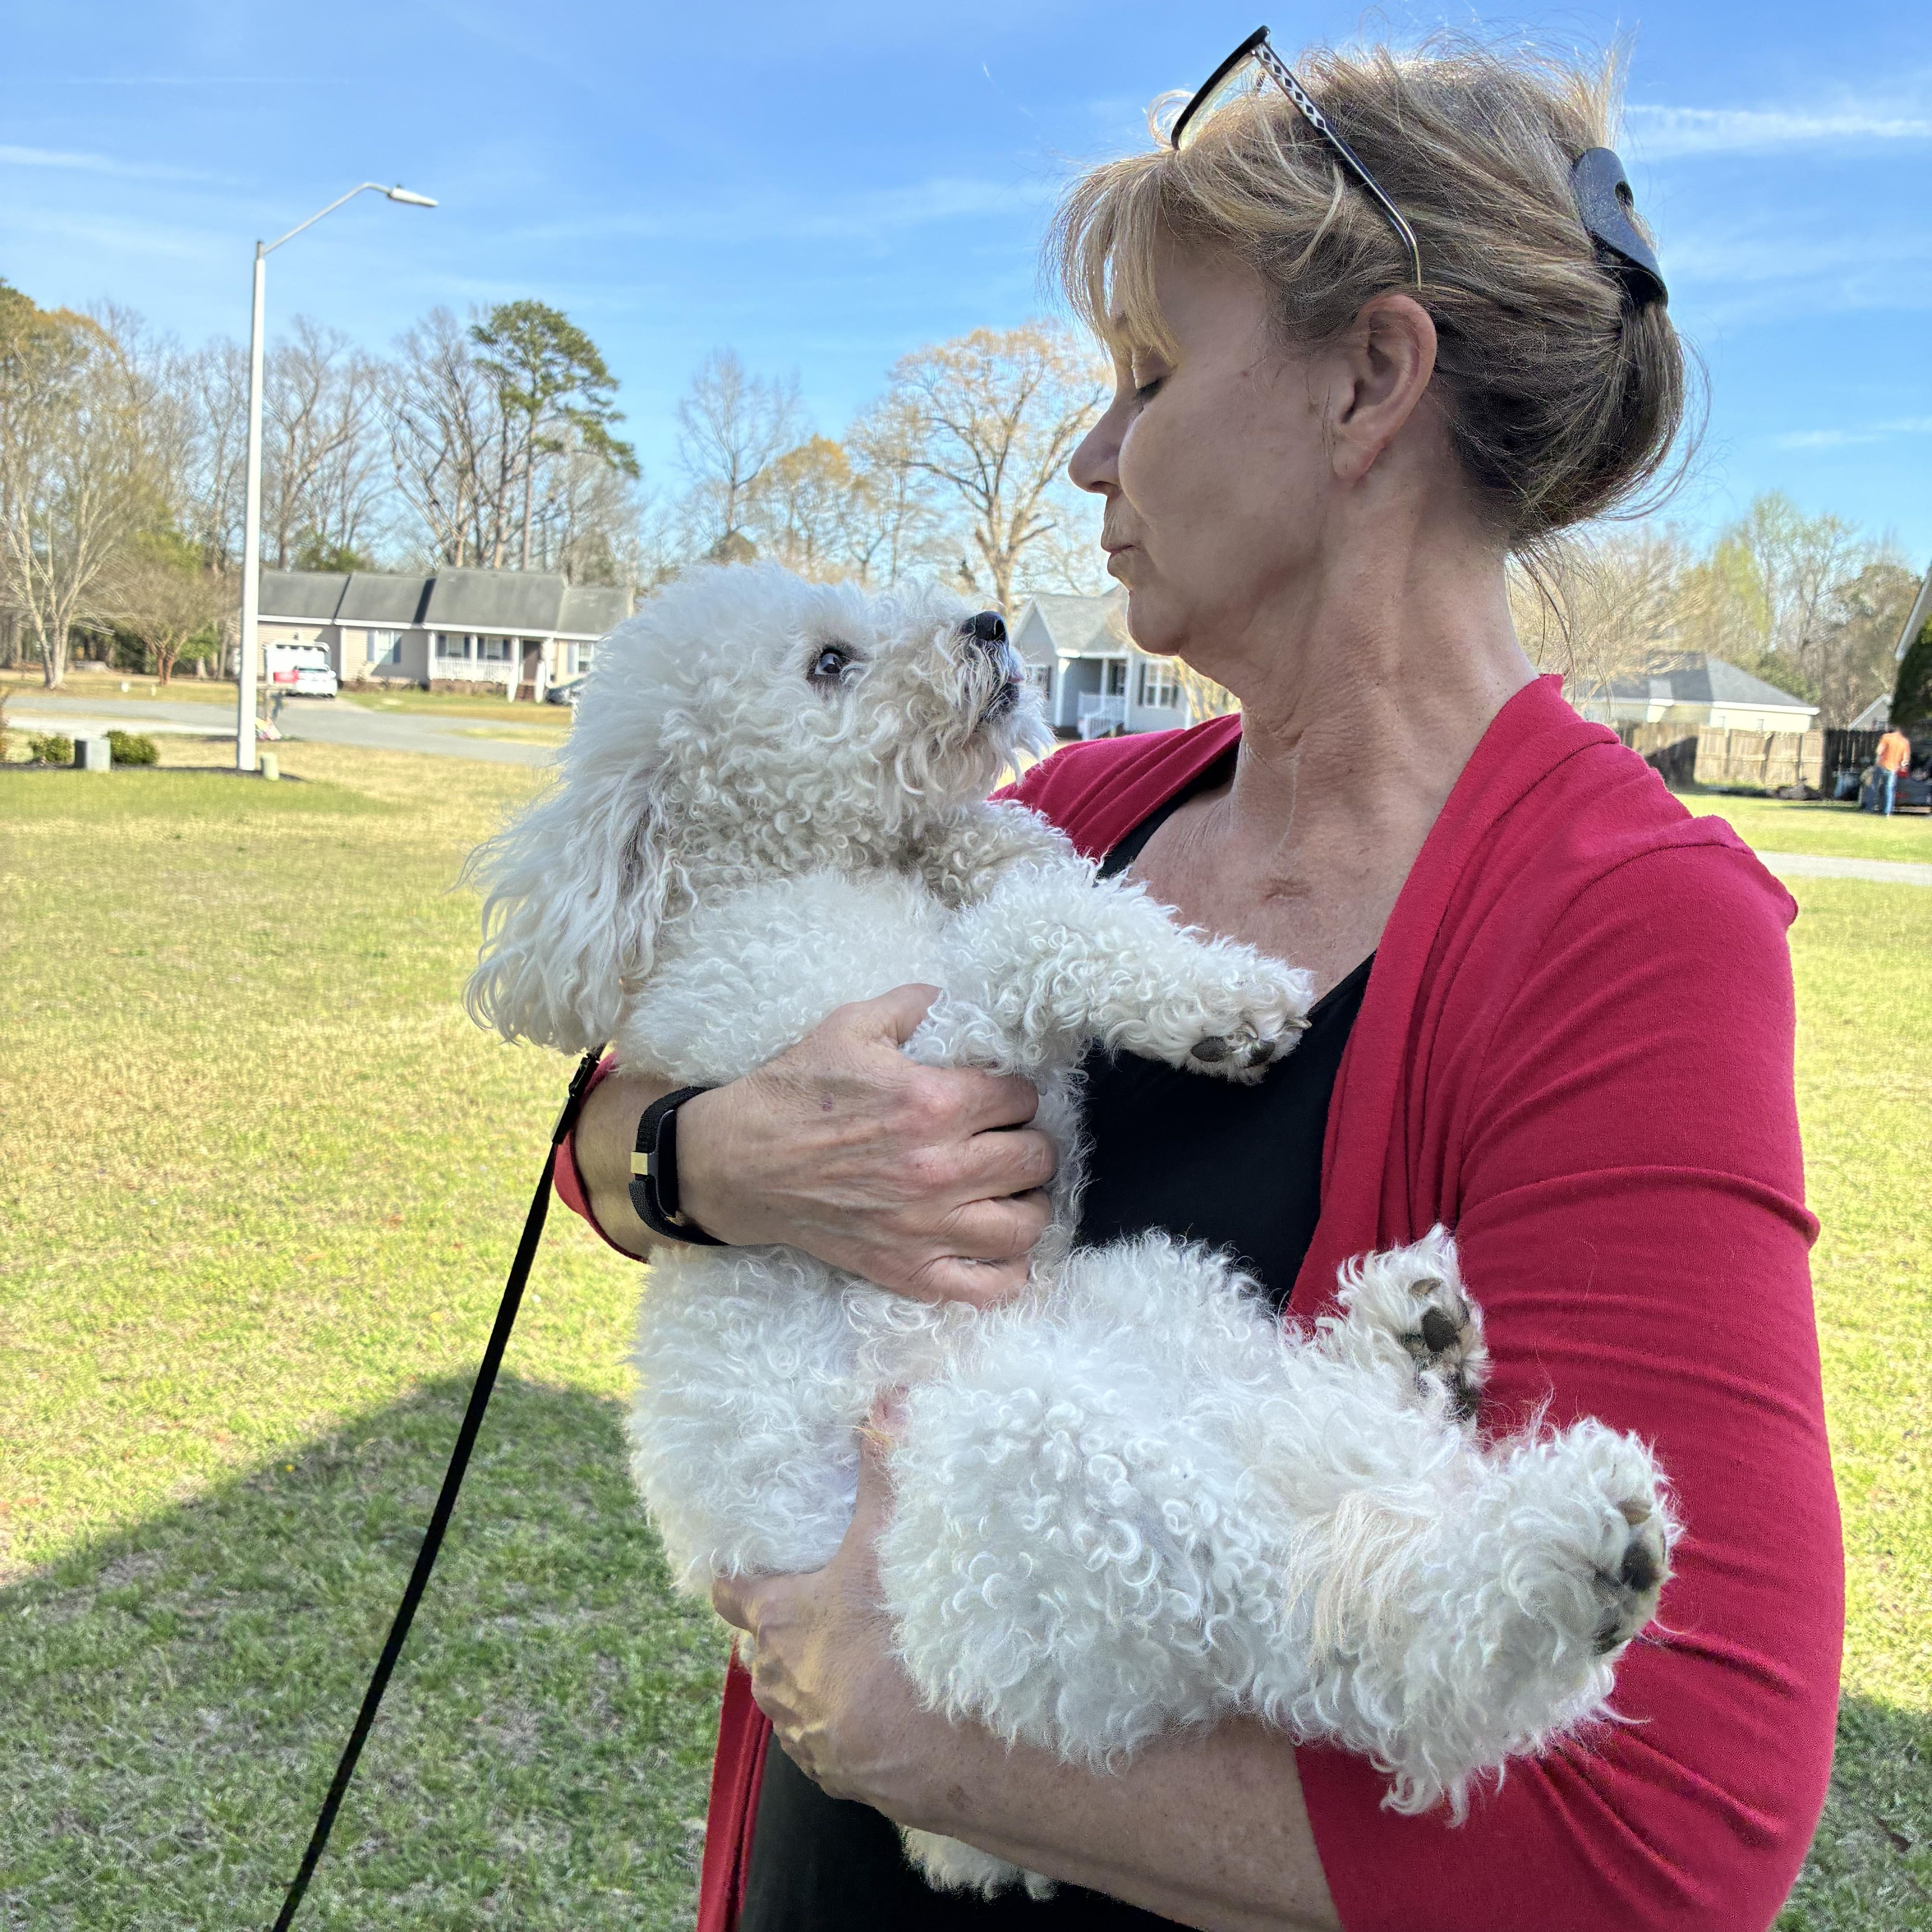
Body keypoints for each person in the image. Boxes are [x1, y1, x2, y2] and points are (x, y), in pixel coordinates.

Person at [554, 33, 1841, 1932]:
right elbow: (595, 1132)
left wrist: (932, 1745)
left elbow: (1672, 1833)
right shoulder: (1075, 808)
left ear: (1367, 382)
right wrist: (713, 1159)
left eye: (1147, 379)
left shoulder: (1623, 923)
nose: (1090, 452)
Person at [1874, 724, 1912, 815]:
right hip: (1893, 769)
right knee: (1890, 790)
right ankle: (1887, 812)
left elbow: (1879, 751)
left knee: (1878, 788)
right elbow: (1905, 760)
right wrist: (1901, 768)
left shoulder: (1886, 738)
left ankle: (1877, 808)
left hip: (1882, 766)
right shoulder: (1904, 742)